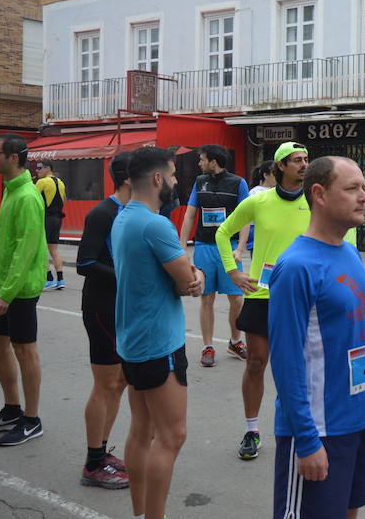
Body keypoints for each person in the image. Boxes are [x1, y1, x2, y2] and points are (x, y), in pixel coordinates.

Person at [268, 156, 365, 518]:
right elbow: (286, 363)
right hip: (318, 429)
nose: (364, 196)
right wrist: (306, 440)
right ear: (319, 194)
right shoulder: (297, 267)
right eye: (352, 188)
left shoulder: (349, 251)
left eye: (363, 187)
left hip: (354, 421)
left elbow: (359, 339)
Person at [112, 146, 204, 519]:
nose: (176, 181)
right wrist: (196, 275)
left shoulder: (124, 217)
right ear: (156, 179)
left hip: (132, 341)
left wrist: (189, 276)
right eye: (172, 174)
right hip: (158, 343)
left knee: (141, 431)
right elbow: (187, 281)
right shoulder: (155, 224)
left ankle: (139, 513)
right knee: (171, 436)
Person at [214, 142, 313, 461]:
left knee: (303, 368)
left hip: (301, 296)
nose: (303, 164)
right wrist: (233, 271)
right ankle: (252, 429)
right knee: (256, 363)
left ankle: (303, 429)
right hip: (262, 295)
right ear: (280, 166)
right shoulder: (258, 200)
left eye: (306, 160)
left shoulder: (316, 200)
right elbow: (223, 232)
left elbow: (341, 238)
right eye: (297, 160)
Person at [0, 133, 47, 446]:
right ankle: (11, 409)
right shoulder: (10, 190)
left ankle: (31, 420)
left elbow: (27, 250)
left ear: (13, 157)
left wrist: (6, 293)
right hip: (3, 285)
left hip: (20, 288)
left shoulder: (28, 197)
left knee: (24, 350)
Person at [74, 152, 132, 489]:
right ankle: (93, 463)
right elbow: (85, 263)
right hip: (102, 308)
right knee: (106, 384)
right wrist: (129, 276)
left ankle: (101, 452)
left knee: (120, 381)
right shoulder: (103, 213)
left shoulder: (135, 212)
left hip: (122, 308)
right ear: (128, 177)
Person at [179, 144, 250, 367]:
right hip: (204, 246)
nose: (199, 164)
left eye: (202, 160)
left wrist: (239, 248)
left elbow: (246, 218)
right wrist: (182, 247)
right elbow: (190, 214)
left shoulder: (238, 183)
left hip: (228, 247)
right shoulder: (200, 183)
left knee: (236, 297)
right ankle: (207, 346)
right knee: (206, 297)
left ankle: (235, 341)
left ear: (213, 161)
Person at [35, 160, 67, 290]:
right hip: (57, 218)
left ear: (47, 168)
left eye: (39, 168)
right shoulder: (61, 182)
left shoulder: (42, 182)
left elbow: (34, 199)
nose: (36, 171)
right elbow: (64, 199)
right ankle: (60, 280)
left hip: (45, 218)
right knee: (54, 250)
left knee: (41, 249)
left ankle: (48, 279)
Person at [245, 159, 276, 256]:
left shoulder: (280, 191)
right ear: (265, 175)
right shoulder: (254, 193)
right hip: (258, 233)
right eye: (274, 173)